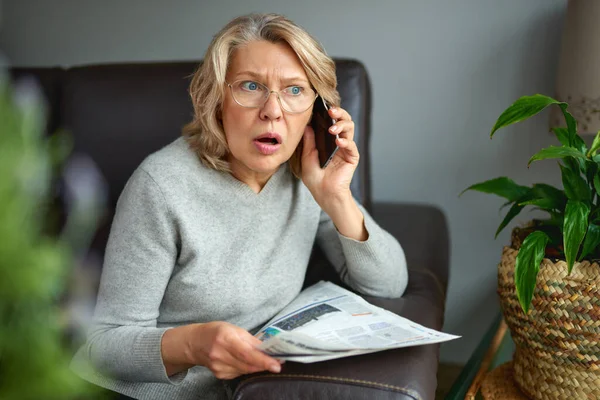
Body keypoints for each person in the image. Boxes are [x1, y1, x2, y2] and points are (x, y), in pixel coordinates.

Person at [71, 13, 408, 400]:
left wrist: (336, 197)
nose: (273, 110)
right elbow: (103, 347)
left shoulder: (306, 176)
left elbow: (390, 283)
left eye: (295, 90)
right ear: (216, 100)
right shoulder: (160, 186)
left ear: (319, 113)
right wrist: (194, 344)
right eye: (251, 86)